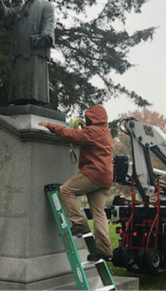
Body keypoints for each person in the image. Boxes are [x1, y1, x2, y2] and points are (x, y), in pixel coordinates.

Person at [39, 105, 113, 261]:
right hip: (105, 177)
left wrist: (50, 125)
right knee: (99, 213)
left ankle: (80, 224)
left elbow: (70, 134)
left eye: (88, 118)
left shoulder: (93, 132)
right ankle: (105, 250)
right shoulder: (105, 132)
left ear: (92, 118)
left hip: (94, 173)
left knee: (66, 191)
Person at [0, 0, 55, 105]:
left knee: (34, 85)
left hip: (35, 51)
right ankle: (19, 100)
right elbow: (5, 14)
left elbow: (49, 25)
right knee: (19, 86)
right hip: (20, 50)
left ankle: (35, 100)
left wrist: (44, 37)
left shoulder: (45, 6)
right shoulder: (20, 9)